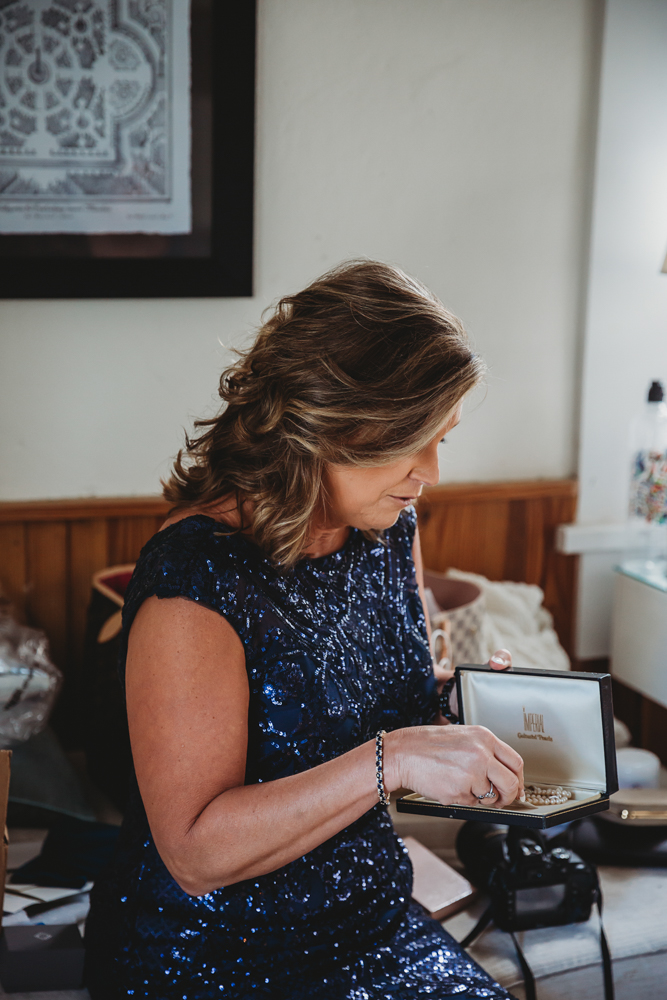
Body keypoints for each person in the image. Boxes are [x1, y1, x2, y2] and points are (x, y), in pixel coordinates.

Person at [84, 260, 523, 999]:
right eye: (413, 440)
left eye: (440, 439)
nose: (431, 472)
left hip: (371, 925)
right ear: (329, 424)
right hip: (211, 956)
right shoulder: (198, 578)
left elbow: (376, 704)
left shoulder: (386, 526)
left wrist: (453, 713)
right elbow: (193, 851)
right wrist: (394, 757)